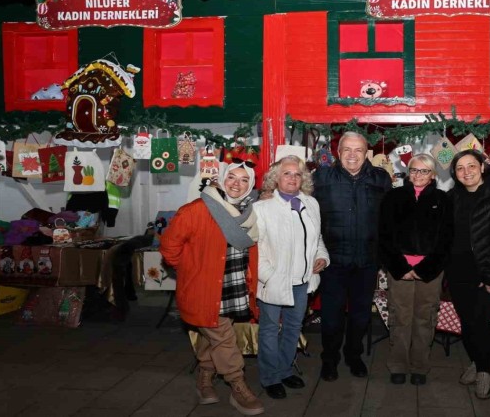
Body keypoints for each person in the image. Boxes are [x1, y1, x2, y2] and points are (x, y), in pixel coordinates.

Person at [159, 162, 264, 416]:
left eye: (244, 180)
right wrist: (191, 271)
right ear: (221, 179)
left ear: (250, 185)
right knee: (224, 337)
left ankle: (205, 377)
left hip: (233, 287)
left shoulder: (249, 212)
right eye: (232, 177)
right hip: (204, 288)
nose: (236, 184)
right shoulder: (196, 209)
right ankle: (237, 385)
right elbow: (169, 248)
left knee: (213, 333)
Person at [244, 156, 329, 400]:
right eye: (286, 173)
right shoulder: (262, 208)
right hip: (273, 281)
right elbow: (255, 250)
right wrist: (270, 277)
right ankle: (270, 377)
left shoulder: (311, 203)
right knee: (270, 330)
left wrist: (322, 257)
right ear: (276, 178)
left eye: (297, 174)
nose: (292, 178)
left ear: (303, 178)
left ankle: (284, 370)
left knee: (293, 328)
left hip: (303, 281)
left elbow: (317, 238)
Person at [313, 131, 393, 381]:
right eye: (346, 149)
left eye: (358, 150)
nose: (352, 155)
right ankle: (329, 359)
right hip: (333, 262)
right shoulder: (321, 178)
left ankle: (353, 355)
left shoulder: (380, 178)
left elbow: (389, 219)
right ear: (338, 153)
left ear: (366, 153)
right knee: (331, 317)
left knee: (360, 315)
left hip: (367, 262)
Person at [446, 149, 490, 400]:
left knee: (478, 322)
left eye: (471, 166)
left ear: (482, 167)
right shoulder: (452, 197)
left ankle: (484, 372)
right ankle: (477, 362)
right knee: (466, 322)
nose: (466, 172)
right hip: (458, 272)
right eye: (460, 168)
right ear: (454, 173)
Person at [378, 153, 453, 386]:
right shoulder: (393, 197)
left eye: (424, 171)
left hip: (430, 272)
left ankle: (420, 365)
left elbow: (446, 240)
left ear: (433, 175)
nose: (418, 175)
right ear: (408, 173)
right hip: (399, 270)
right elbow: (384, 236)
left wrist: (425, 268)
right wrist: (401, 267)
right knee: (400, 317)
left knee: (425, 318)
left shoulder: (443, 200)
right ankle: (398, 365)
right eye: (414, 170)